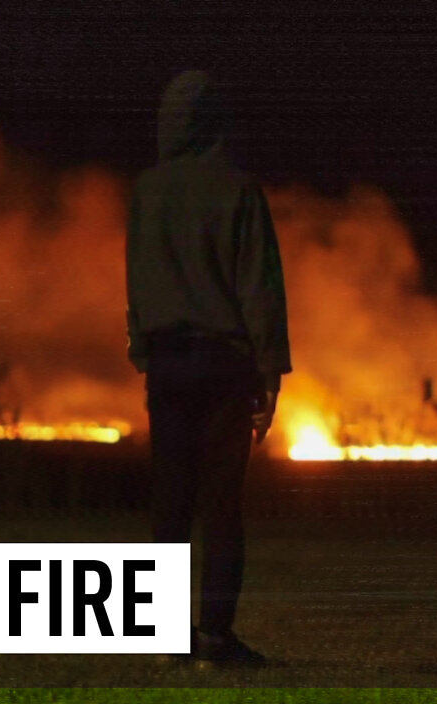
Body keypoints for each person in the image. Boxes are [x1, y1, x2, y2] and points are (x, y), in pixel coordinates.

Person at [125, 70, 291, 667]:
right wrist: (270, 372)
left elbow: (138, 278)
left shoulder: (148, 190)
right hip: (226, 366)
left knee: (170, 503)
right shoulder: (238, 189)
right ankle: (215, 639)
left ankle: (167, 639)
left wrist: (143, 350)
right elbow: (259, 287)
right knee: (221, 505)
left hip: (167, 364)